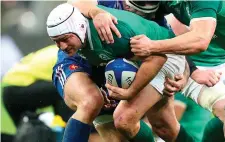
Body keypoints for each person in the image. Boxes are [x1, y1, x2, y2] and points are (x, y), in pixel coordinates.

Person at [46, 3, 195, 142]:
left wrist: (188, 72)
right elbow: (71, 6)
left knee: (161, 126)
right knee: (92, 104)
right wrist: (96, 12)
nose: (139, 11)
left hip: (146, 58)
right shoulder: (97, 18)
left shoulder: (124, 32)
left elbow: (167, 49)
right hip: (87, 60)